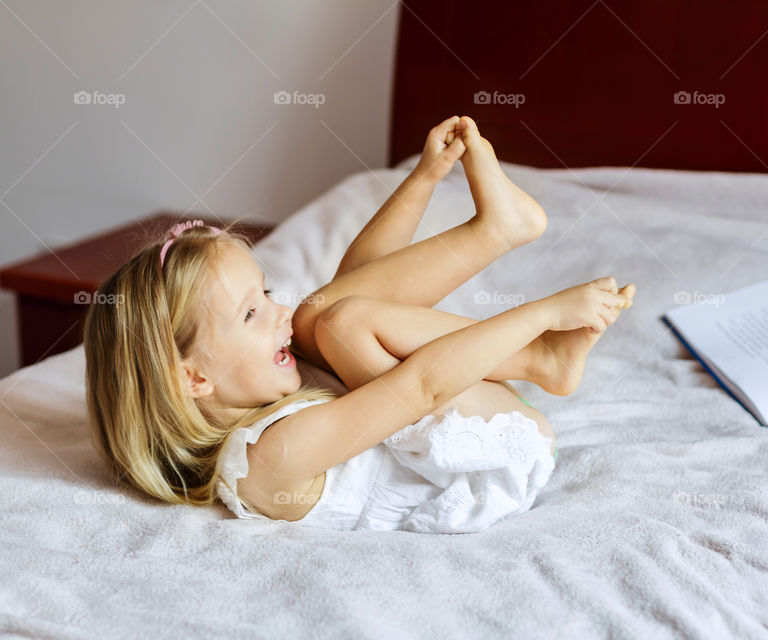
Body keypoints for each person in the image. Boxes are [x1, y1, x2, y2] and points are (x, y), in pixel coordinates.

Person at [83, 116, 635, 533]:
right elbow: (422, 387)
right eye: (251, 313)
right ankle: (544, 359)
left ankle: (497, 229)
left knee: (326, 315)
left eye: (265, 293)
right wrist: (541, 315)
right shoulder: (270, 458)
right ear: (194, 378)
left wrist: (424, 177)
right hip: (492, 462)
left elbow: (360, 279)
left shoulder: (245, 391)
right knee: (346, 323)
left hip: (454, 424)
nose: (278, 313)